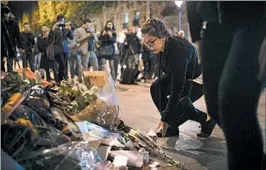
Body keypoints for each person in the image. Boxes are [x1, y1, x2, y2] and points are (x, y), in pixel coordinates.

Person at [187, 2, 266, 170]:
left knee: (234, 105)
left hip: (251, 21)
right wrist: (197, 36)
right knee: (215, 107)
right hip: (212, 28)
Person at [141, 18, 215, 138]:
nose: (149, 46)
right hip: (181, 74)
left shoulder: (177, 51)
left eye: (151, 42)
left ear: (162, 37)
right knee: (156, 87)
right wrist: (166, 117)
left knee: (179, 106)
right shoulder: (161, 46)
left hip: (196, 79)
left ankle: (207, 119)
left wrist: (165, 120)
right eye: (145, 42)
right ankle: (172, 127)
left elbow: (177, 89)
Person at [49, 15, 73, 83]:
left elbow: (71, 37)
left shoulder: (66, 29)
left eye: (63, 21)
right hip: (57, 49)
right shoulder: (54, 28)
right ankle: (60, 79)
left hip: (65, 49)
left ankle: (63, 80)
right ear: (57, 21)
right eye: (60, 21)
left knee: (64, 65)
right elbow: (50, 38)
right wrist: (52, 29)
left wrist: (69, 30)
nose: (62, 22)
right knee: (62, 65)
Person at [1, 2, 21, 72]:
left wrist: (19, 46)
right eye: (4, 14)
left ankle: (10, 77)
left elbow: (18, 36)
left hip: (11, 46)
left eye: (6, 14)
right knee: (1, 65)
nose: (5, 15)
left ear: (9, 14)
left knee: (10, 64)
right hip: (2, 46)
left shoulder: (14, 23)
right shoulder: (2, 23)